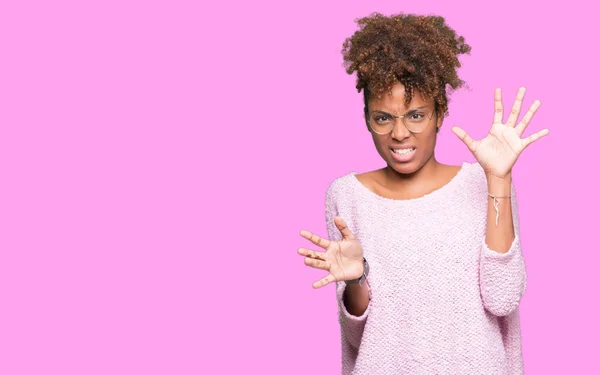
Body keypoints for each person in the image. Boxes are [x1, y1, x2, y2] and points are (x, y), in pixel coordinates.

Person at [297, 12, 549, 375]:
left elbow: (503, 297)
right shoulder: (347, 195)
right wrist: (355, 279)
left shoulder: (484, 182)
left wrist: (499, 180)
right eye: (383, 118)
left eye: (416, 115)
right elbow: (357, 338)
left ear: (440, 113)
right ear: (367, 118)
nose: (399, 133)